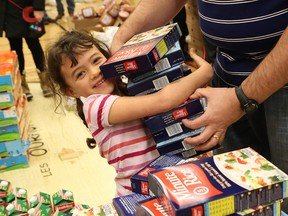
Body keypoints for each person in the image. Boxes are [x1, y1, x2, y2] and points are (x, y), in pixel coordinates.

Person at [109, 0, 288, 205]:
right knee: (241, 197)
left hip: (279, 87)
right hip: (227, 83)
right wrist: (122, 39)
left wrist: (241, 98)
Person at [45, 30, 213, 196]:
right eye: (80, 73)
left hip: (168, 183)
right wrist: (204, 73)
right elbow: (163, 101)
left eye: (96, 60)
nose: (94, 72)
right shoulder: (95, 106)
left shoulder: (129, 90)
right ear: (71, 91)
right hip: (137, 195)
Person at [0, 0, 53, 100]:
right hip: (9, 14)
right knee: (16, 49)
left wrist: (38, 8)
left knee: (35, 46)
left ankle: (45, 81)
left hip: (28, 11)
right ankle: (22, 85)